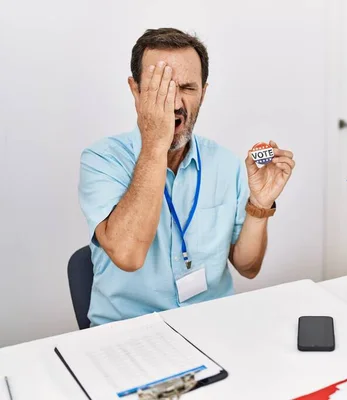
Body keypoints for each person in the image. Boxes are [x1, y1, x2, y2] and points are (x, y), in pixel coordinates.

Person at [78, 28, 295, 327]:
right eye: (162, 88)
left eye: (187, 88)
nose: (176, 103)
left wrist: (259, 204)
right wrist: (155, 142)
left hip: (212, 326)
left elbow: (248, 268)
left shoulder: (224, 163)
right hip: (129, 333)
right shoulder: (102, 160)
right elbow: (128, 255)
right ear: (136, 91)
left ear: (203, 93)